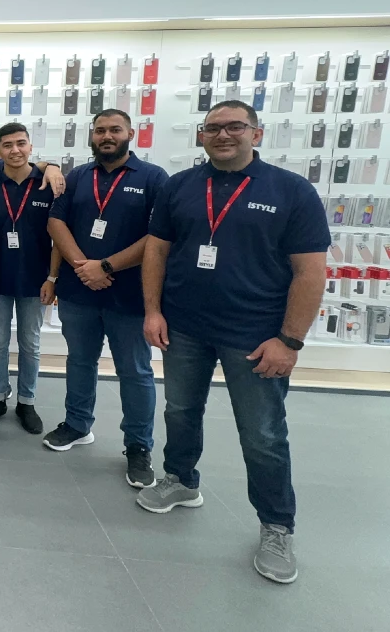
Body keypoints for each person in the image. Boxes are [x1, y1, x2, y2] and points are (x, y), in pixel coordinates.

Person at [139, 100, 329, 584]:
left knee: (262, 433)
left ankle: (276, 524)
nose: (223, 135)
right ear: (201, 136)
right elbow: (157, 251)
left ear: (256, 133)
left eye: (234, 127)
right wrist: (154, 310)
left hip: (255, 335)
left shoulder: (291, 191)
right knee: (180, 410)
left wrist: (290, 340)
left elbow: (310, 271)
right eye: (213, 128)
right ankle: (180, 480)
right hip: (184, 326)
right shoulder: (181, 187)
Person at [45, 109, 170, 489]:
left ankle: (138, 447)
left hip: (130, 294)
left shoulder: (153, 178)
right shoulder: (79, 176)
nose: (106, 136)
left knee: (134, 372)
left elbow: (159, 235)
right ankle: (78, 423)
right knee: (79, 360)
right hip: (78, 290)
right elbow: (56, 222)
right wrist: (83, 266)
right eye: (100, 130)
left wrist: (107, 266)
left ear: (131, 133)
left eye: (114, 129)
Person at [0, 123, 58, 434]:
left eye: (21, 143)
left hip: (36, 279)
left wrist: (53, 276)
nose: (15, 150)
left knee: (30, 343)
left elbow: (59, 236)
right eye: (7, 145)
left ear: (31, 147)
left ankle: (27, 401)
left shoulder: (48, 185)